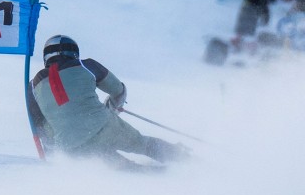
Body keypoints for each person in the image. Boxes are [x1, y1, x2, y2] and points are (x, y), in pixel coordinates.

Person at [27, 35, 190, 172]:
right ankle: (186, 161)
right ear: (74, 51)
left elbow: (40, 127)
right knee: (144, 145)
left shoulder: (33, 86)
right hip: (105, 127)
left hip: (71, 146)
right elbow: (118, 90)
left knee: (125, 170)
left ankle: (146, 176)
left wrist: (58, 148)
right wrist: (112, 108)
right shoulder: (86, 65)